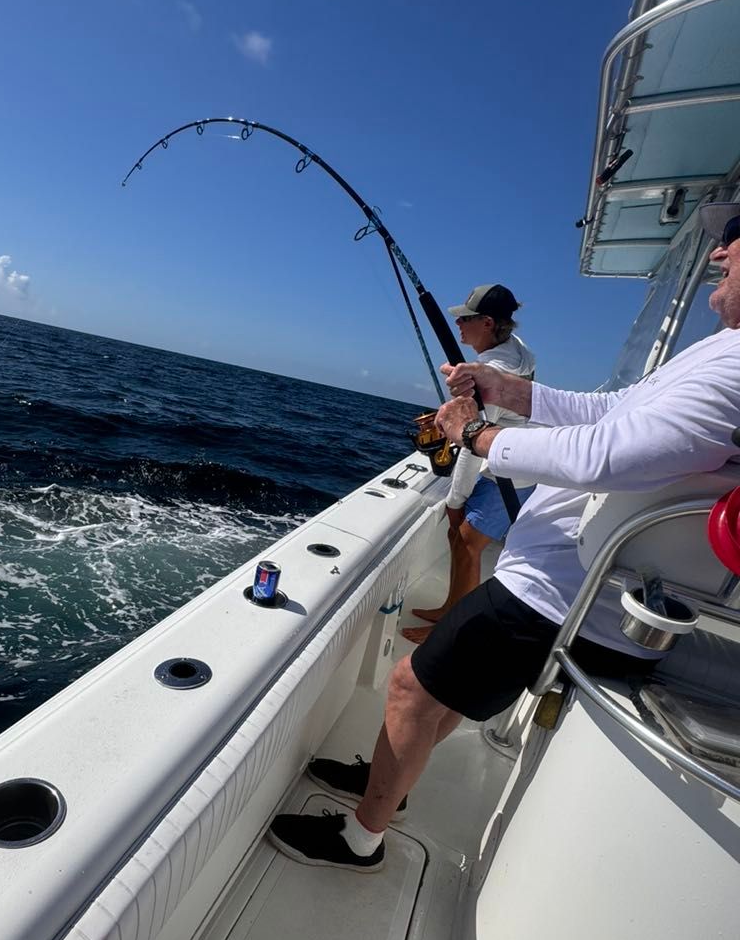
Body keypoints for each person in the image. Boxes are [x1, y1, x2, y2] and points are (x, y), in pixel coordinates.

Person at [269, 200, 740, 872]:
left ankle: (362, 836)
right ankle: (388, 783)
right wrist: (508, 392)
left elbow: (611, 455)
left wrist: (475, 434)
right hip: (565, 581)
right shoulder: (722, 349)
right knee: (441, 691)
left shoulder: (736, 365)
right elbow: (613, 411)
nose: (718, 254)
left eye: (732, 240)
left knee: (408, 686)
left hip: (566, 596)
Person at [403, 283, 536, 646]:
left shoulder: (490, 372)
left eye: (466, 319)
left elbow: (472, 442)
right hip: (508, 463)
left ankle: (452, 631)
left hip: (508, 473)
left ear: (489, 323)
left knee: (466, 541)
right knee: (456, 537)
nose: (459, 326)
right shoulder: (515, 351)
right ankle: (449, 606)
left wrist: (454, 501)